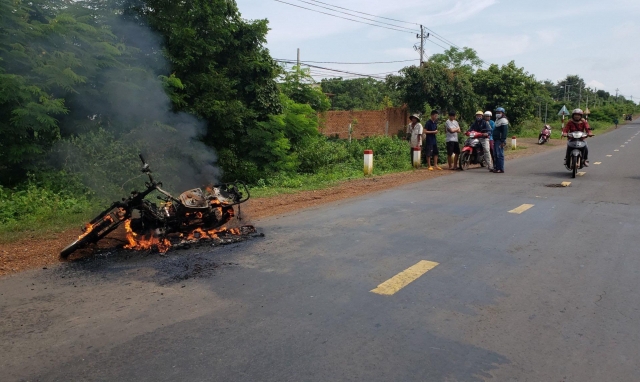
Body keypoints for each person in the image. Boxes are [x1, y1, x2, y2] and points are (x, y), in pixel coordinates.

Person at [492, 107, 509, 173]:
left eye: (499, 112)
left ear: (502, 113)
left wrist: (503, 140)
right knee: (495, 154)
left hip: (500, 140)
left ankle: (500, 168)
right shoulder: (497, 120)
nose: (497, 114)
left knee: (499, 154)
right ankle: (496, 167)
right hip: (496, 140)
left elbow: (504, 132)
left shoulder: (504, 121)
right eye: (497, 112)